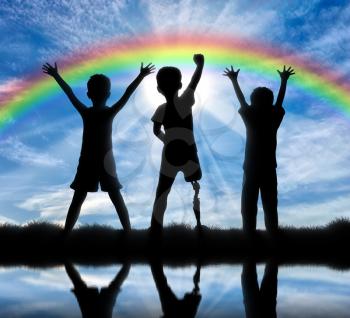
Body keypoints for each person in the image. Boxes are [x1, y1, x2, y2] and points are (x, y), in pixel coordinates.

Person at [42, 62, 155, 234]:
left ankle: (65, 236)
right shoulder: (107, 112)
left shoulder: (87, 112)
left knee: (79, 199)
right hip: (104, 160)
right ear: (108, 94)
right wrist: (140, 76)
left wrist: (57, 76)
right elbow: (127, 94)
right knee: (114, 197)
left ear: (88, 94)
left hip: (88, 160)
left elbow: (70, 93)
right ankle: (128, 232)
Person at [223, 65, 295, 236]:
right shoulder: (273, 117)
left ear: (254, 102)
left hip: (252, 167)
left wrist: (234, 80)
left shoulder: (251, 116)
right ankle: (272, 237)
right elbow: (279, 102)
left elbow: (242, 101)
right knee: (270, 204)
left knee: (249, 205)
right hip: (268, 167)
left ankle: (250, 236)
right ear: (269, 102)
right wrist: (284, 81)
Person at [150, 54, 204, 233]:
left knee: (162, 194)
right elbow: (194, 82)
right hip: (188, 153)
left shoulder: (161, 109)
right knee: (195, 188)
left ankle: (155, 229)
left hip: (170, 156)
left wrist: (167, 140)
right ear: (180, 85)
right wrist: (199, 65)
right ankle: (198, 226)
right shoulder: (185, 101)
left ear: (158, 89)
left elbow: (156, 131)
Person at [65, 261, 130, 318]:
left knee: (116, 284)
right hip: (93, 310)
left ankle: (128, 263)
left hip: (98, 310)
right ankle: (66, 261)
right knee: (78, 283)